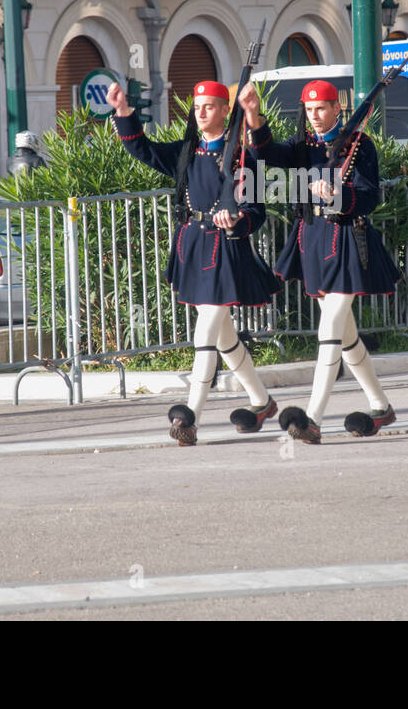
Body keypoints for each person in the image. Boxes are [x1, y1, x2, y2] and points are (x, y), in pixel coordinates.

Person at [107, 79, 280, 446]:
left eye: (209, 106)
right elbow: (144, 150)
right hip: (194, 247)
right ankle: (262, 402)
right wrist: (123, 112)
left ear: (223, 111)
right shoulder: (188, 151)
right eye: (197, 106)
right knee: (223, 336)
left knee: (206, 333)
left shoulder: (243, 156)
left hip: (226, 251)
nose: (200, 112)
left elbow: (256, 210)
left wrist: (237, 219)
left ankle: (191, 418)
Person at [238, 79, 403, 445]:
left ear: (336, 109)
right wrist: (253, 116)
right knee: (344, 334)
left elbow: (369, 195)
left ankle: (313, 418)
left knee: (329, 329)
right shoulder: (304, 146)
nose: (314, 116)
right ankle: (380, 405)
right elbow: (267, 156)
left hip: (346, 237)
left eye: (322, 109)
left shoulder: (360, 145)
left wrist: (338, 193)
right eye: (309, 110)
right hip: (313, 239)